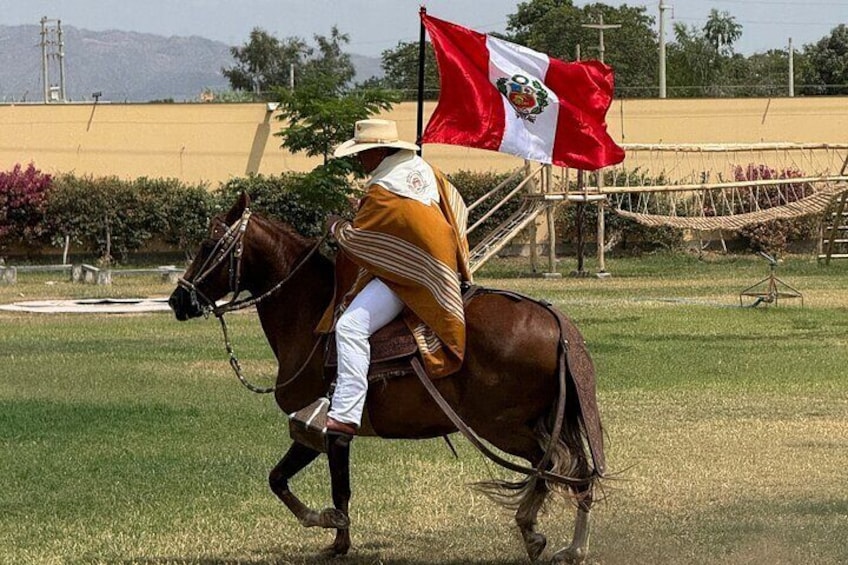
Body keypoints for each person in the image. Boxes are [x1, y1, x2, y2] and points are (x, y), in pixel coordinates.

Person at [316, 119, 473, 436]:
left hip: (413, 279)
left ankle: (345, 413)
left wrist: (335, 226)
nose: (359, 161)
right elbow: (458, 206)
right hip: (447, 268)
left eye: (362, 154)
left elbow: (359, 240)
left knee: (350, 327)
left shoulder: (382, 190)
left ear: (379, 151)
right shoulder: (424, 169)